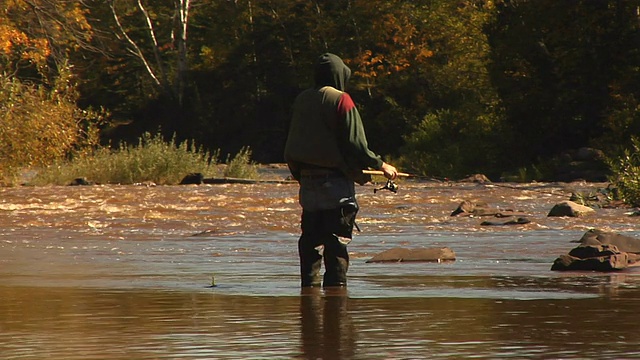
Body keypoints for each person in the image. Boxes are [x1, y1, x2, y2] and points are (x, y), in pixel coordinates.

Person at [284, 53, 398, 287]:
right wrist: (381, 165)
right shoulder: (341, 100)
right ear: (339, 75)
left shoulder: (302, 99)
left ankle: (309, 295)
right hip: (336, 185)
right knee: (336, 241)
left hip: (307, 184)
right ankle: (336, 299)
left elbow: (292, 146)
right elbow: (357, 144)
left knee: (310, 241)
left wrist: (300, 176)